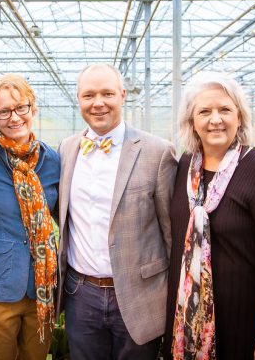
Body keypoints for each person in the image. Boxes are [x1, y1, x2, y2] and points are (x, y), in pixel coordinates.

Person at [164, 72, 255, 360]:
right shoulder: (185, 168)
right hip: (186, 326)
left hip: (244, 331)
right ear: (192, 121)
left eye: (225, 109)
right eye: (205, 111)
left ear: (239, 118)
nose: (215, 119)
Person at [56, 64, 177, 359]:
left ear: (122, 96)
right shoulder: (66, 149)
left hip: (139, 295)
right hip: (80, 293)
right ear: (79, 99)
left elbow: (171, 233)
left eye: (107, 93)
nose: (98, 103)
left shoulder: (157, 152)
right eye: (89, 95)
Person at [0, 74, 60, 360]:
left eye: (21, 107)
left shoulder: (52, 160)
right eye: (3, 112)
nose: (14, 118)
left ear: (32, 108)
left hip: (42, 287)